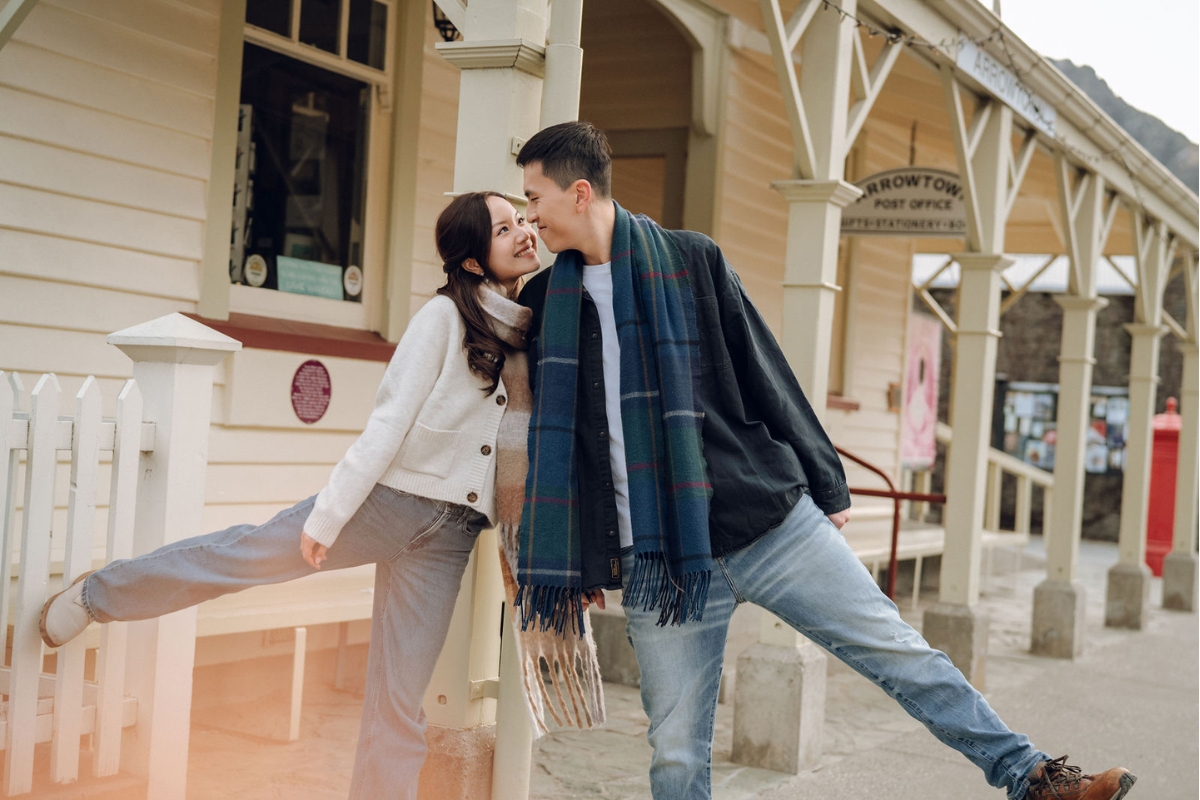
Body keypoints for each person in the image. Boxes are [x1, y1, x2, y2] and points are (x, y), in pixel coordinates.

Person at [511, 120, 1136, 800]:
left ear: (578, 192)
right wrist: (573, 559)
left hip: (766, 521)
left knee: (905, 657)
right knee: (675, 755)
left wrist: (827, 483)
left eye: (534, 197)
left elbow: (765, 373)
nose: (529, 215)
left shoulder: (691, 261)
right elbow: (562, 445)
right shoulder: (546, 304)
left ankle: (1035, 779)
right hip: (662, 566)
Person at [39, 192, 543, 800]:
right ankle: (98, 595)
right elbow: (387, 425)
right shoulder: (441, 320)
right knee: (242, 556)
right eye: (504, 227)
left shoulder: (526, 328)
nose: (522, 232)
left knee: (399, 702)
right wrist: (328, 517)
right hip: (383, 503)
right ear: (470, 260)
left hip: (451, 536)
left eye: (522, 220)